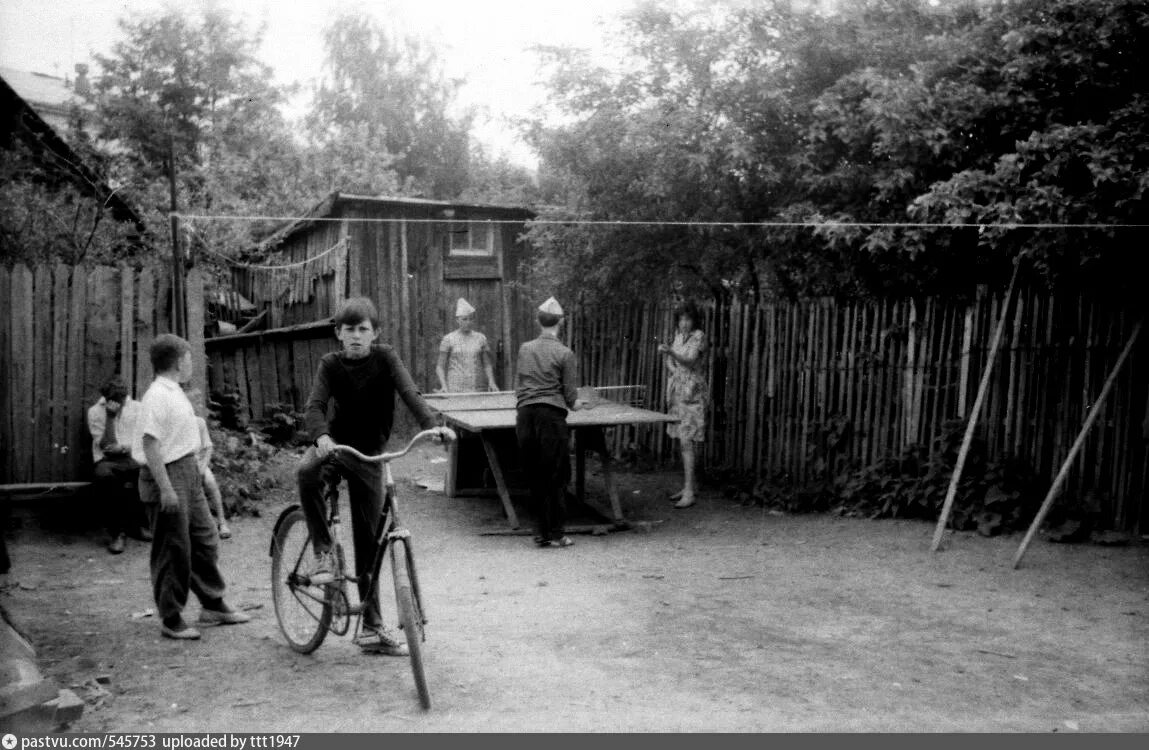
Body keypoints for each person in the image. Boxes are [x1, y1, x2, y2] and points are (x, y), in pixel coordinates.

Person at [297, 296, 448, 656]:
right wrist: (321, 437)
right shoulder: (330, 364)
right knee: (305, 472)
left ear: (375, 333)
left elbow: (409, 391)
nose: (355, 336)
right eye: (348, 329)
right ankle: (322, 553)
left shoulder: (386, 358)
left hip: (371, 455)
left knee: (370, 545)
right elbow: (315, 405)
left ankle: (372, 627)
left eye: (363, 329)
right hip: (338, 448)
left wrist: (432, 426)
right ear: (338, 333)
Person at [131, 334, 250, 640]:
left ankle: (213, 603)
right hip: (166, 475)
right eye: (189, 358)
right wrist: (166, 488)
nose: (192, 363)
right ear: (178, 361)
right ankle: (171, 617)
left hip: (188, 471)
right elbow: (150, 444)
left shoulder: (175, 392)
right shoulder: (157, 395)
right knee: (174, 548)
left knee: (205, 537)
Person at [514, 296, 589, 549]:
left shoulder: (524, 349)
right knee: (556, 475)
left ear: (538, 321)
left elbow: (520, 385)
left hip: (525, 416)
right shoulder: (565, 353)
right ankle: (557, 534)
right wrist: (582, 403)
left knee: (534, 473)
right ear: (562, 322)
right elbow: (571, 399)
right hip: (551, 418)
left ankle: (540, 533)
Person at [87, 377, 149, 554]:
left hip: (131, 456)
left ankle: (137, 525)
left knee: (144, 470)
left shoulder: (137, 408)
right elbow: (106, 447)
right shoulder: (94, 412)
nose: (121, 405)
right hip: (107, 460)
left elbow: (143, 439)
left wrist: (123, 447)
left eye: (122, 401)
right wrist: (110, 417)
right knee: (105, 477)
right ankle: (117, 533)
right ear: (107, 400)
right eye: (115, 402)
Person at [658, 301, 708, 509]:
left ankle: (689, 491)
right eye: (681, 319)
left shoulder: (699, 337)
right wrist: (671, 365)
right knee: (683, 440)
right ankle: (690, 486)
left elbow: (688, 360)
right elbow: (672, 364)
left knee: (688, 440)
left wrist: (671, 354)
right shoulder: (678, 336)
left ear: (694, 320)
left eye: (688, 319)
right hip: (678, 392)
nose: (684, 323)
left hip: (693, 394)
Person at [185, 386, 230, 540]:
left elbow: (208, 447)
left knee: (210, 482)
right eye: (193, 402)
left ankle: (222, 521)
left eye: (198, 402)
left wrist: (203, 467)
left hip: (198, 463)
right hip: (183, 465)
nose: (197, 405)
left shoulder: (199, 423)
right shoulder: (178, 424)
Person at [435, 297, 499, 392]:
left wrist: (491, 381)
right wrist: (444, 385)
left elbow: (487, 364)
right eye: (464, 319)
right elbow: (440, 366)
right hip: (455, 387)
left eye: (470, 319)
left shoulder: (481, 338)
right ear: (458, 320)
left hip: (477, 386)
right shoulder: (448, 339)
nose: (468, 322)